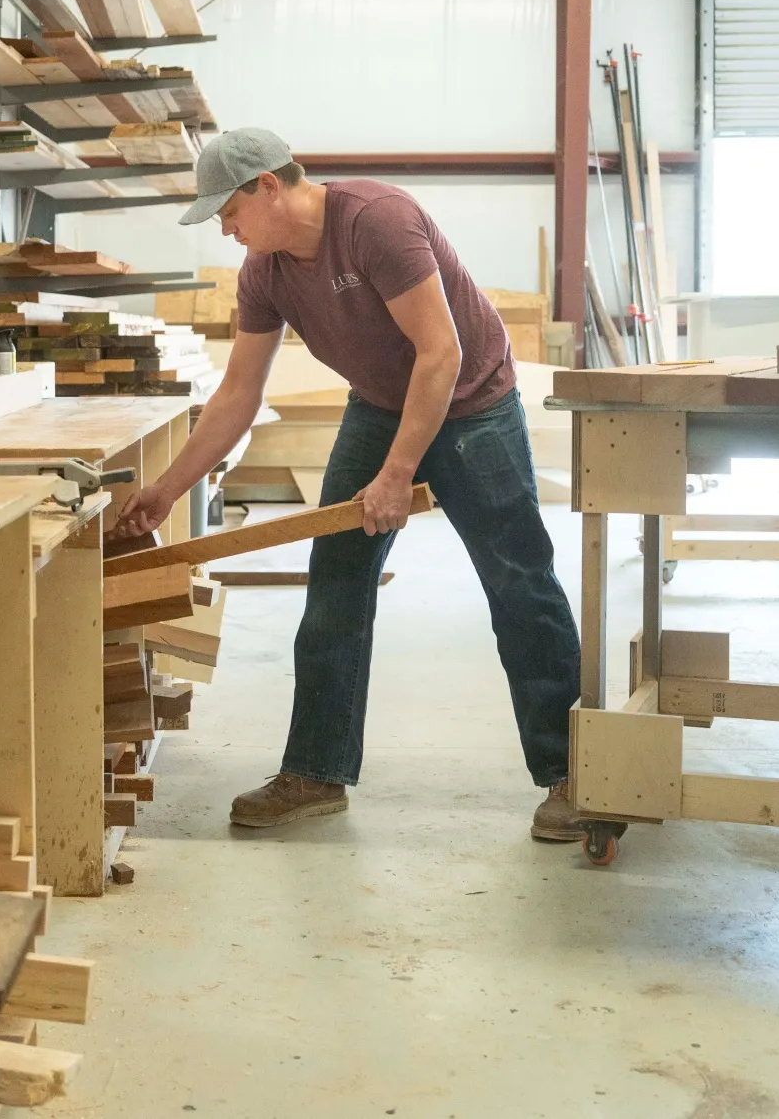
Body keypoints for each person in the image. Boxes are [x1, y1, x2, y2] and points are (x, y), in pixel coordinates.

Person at [111, 128, 584, 841]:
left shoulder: (376, 223)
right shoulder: (265, 273)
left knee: (519, 580)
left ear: (269, 185)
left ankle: (575, 773)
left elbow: (441, 352)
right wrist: (170, 488)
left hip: (473, 400)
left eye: (229, 213)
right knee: (336, 577)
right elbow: (238, 393)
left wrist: (397, 475)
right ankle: (317, 770)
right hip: (381, 402)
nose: (226, 230)